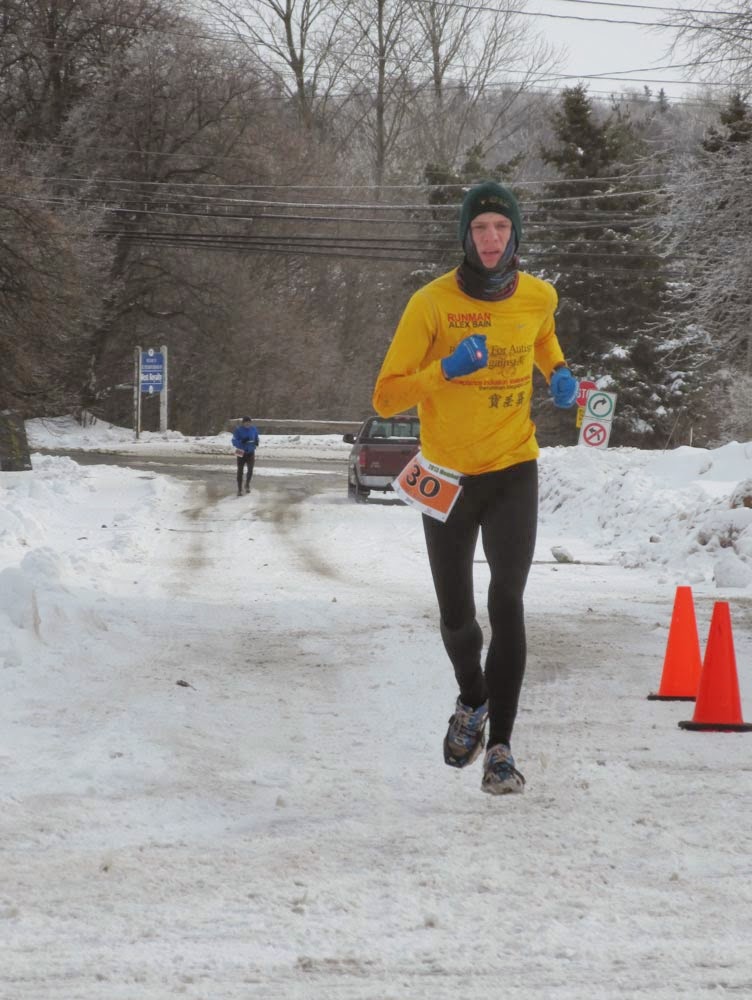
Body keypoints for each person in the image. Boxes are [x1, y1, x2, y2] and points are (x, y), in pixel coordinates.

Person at [372, 180, 577, 795]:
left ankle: (502, 751)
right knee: (457, 616)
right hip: (447, 476)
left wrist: (560, 371)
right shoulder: (430, 304)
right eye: (481, 229)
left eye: (502, 228)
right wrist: (446, 370)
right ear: (466, 235)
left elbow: (541, 335)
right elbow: (386, 393)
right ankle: (472, 700)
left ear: (516, 235)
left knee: (506, 600)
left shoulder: (540, 295)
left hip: (514, 467)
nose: (492, 239)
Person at [231, 416, 260, 496]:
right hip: (240, 451)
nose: (248, 424)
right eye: (246, 422)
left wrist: (257, 441)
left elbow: (256, 436)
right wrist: (242, 441)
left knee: (250, 469)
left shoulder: (253, 429)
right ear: (243, 423)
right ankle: (239, 489)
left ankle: (247, 484)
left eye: (249, 422)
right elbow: (234, 441)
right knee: (240, 471)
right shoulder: (238, 430)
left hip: (251, 451)